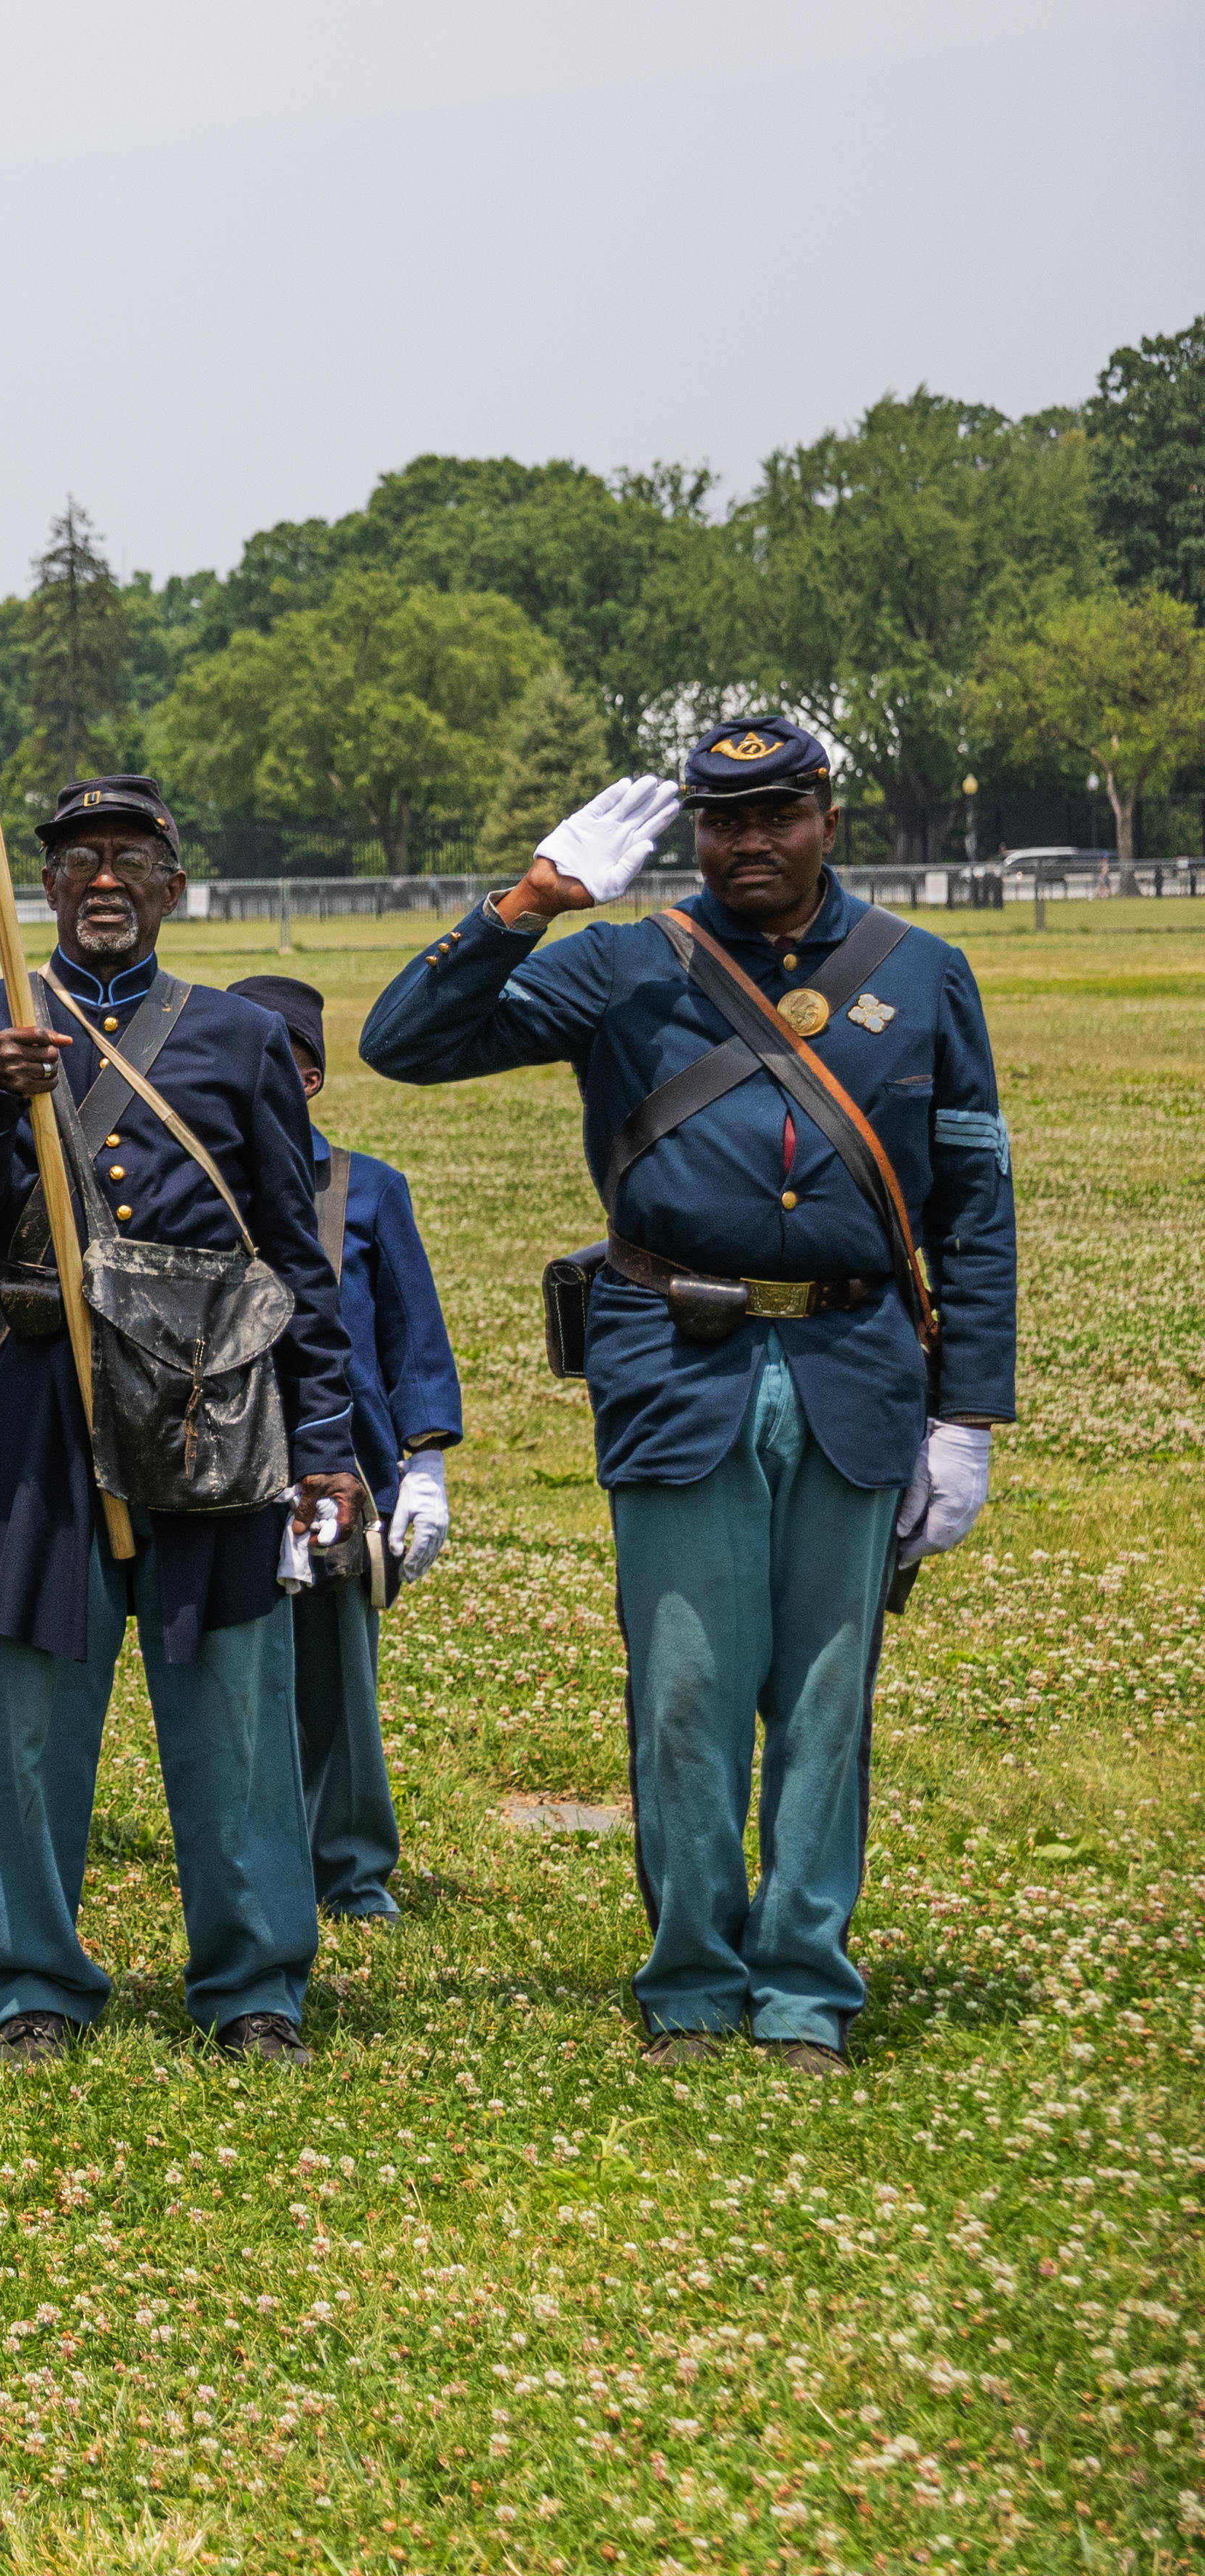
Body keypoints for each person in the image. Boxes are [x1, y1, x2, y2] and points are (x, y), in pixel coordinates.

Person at [358, 719, 1014, 2070]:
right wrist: (531, 902)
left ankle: (806, 1987)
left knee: (828, 1699)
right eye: (723, 821)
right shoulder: (624, 963)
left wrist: (967, 1417)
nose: (749, 843)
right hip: (676, 1362)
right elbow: (404, 1043)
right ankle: (696, 1981)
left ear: (829, 819)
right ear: (696, 834)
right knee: (686, 1693)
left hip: (855, 1365)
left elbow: (976, 1207)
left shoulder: (924, 974)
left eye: (777, 815)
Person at [0, 774, 354, 2063]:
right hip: (44, 1404)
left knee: (232, 1706)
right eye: (79, 861)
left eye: (131, 860)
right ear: (43, 888)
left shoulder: (241, 1038)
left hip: (212, 1404)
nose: (105, 881)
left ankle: (254, 1982)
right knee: (32, 1713)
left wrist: (326, 1441)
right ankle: (35, 1981)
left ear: (174, 887)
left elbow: (293, 1256)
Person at [225, 974, 461, 1923]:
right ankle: (252, 1858)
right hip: (222, 1463)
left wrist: (426, 1465)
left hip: (338, 1467)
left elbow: (415, 1338)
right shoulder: (192, 1187)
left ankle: (353, 1870)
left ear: (311, 1079)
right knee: (234, 1679)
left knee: (338, 1682)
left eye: (272, 1062)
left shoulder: (369, 1191)